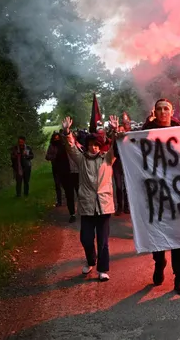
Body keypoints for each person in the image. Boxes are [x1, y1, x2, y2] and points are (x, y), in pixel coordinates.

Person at [139, 98, 180, 295]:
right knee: (157, 234)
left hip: (177, 194)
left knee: (177, 236)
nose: (163, 112)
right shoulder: (144, 134)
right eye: (159, 109)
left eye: (167, 108)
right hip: (154, 195)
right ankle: (159, 261)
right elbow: (128, 155)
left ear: (172, 111)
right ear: (154, 112)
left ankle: (179, 277)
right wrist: (119, 138)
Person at [61, 115, 120, 282]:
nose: (93, 148)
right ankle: (91, 260)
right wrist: (67, 132)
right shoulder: (81, 160)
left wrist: (115, 130)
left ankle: (103, 269)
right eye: (90, 145)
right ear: (86, 146)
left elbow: (118, 146)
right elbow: (71, 148)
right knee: (86, 238)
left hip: (104, 205)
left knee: (103, 241)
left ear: (100, 146)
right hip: (87, 205)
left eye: (96, 145)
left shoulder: (107, 159)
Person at [45, 132, 69, 207]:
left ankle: (68, 199)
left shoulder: (63, 145)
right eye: (55, 138)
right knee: (57, 185)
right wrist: (54, 157)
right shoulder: (51, 146)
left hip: (64, 167)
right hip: (55, 167)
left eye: (58, 138)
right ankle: (59, 201)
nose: (57, 139)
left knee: (65, 184)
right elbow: (47, 156)